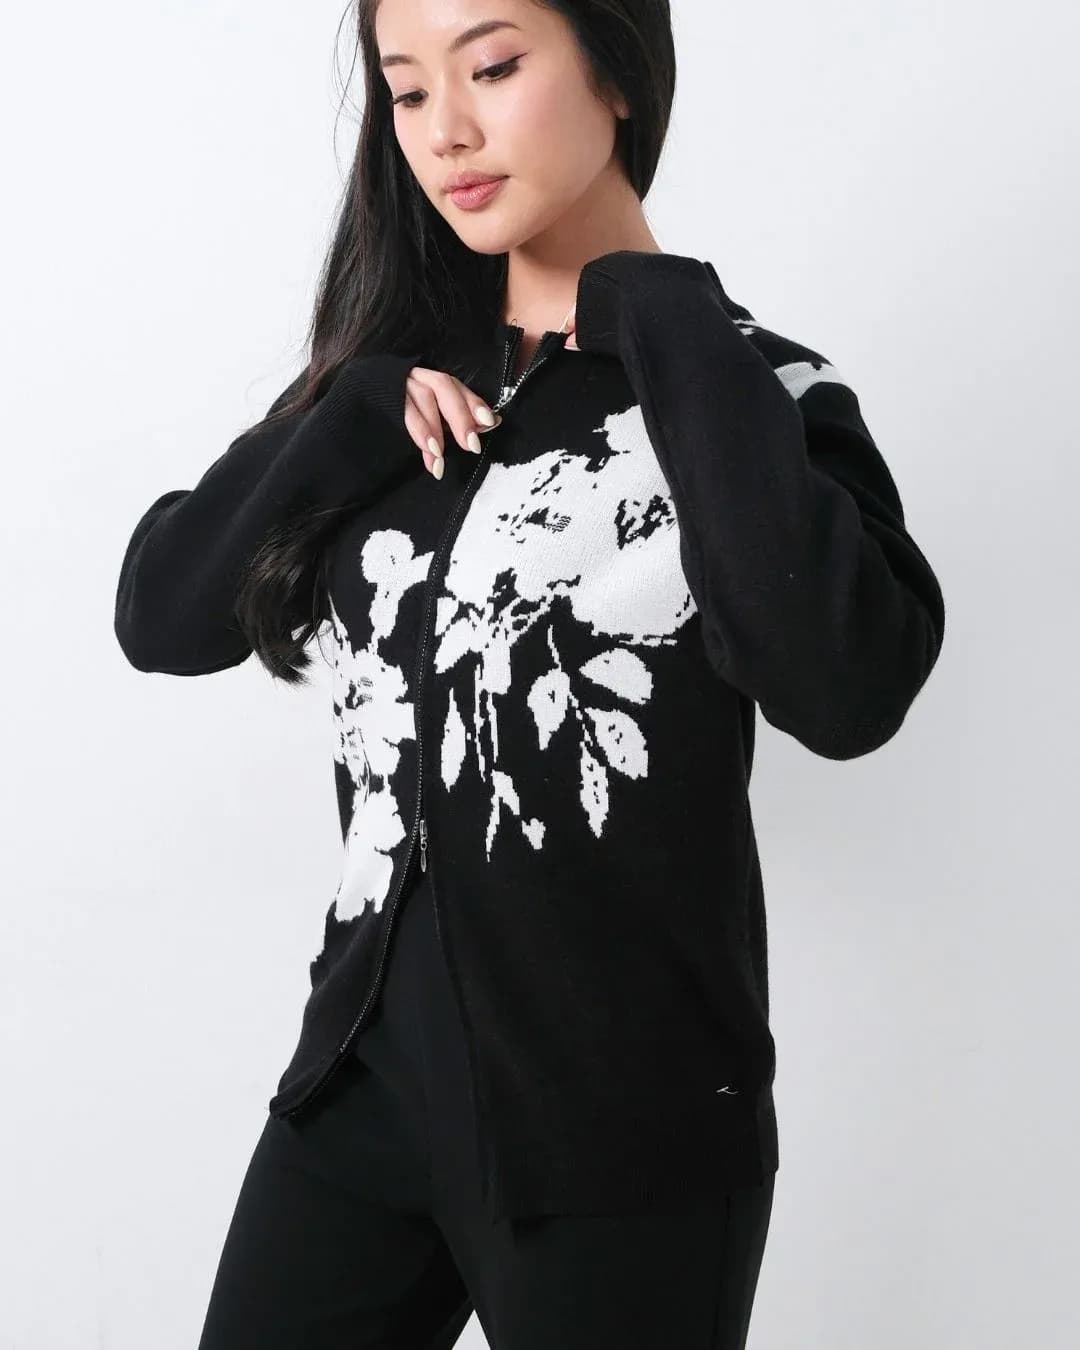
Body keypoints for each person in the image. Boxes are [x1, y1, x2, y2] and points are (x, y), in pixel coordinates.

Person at [113, 1, 946, 1346]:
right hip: (359, 1091)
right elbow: (163, 614)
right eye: (406, 90)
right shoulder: (392, 396)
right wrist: (346, 418)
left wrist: (657, 308)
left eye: (494, 66)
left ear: (617, 71)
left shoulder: (753, 389)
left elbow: (846, 684)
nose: (447, 129)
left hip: (627, 1131)